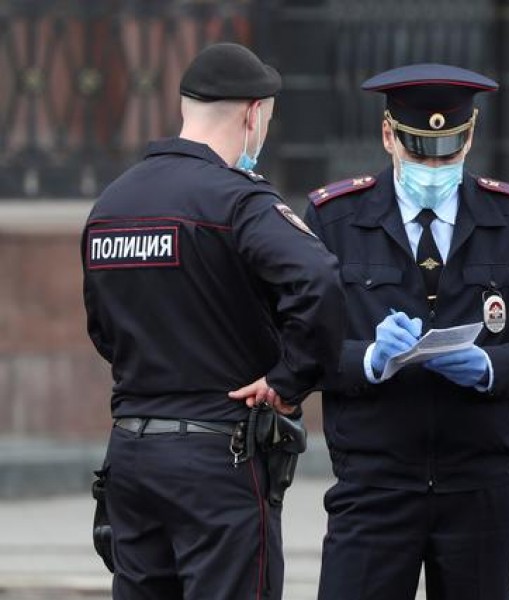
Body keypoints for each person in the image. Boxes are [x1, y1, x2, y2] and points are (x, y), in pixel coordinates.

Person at [81, 42, 346, 600]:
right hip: (217, 457)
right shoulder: (237, 201)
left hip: (131, 454)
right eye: (266, 121)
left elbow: (104, 330)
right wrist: (288, 379)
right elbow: (318, 279)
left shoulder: (111, 204)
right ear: (253, 114)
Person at [304, 63, 509, 600]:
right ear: (388, 136)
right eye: (419, 150)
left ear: (470, 136)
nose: (433, 165)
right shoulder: (334, 220)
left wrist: (494, 367)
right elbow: (300, 346)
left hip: (481, 484)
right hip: (374, 481)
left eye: (448, 151)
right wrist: (368, 360)